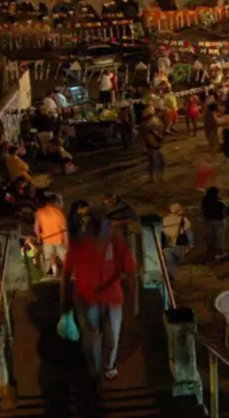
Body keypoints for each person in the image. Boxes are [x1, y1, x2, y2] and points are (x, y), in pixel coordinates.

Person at [61, 205, 137, 381]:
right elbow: (66, 273)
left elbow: (131, 271)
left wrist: (134, 302)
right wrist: (64, 300)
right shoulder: (79, 244)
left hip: (110, 298)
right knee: (93, 336)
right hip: (86, 298)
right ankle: (95, 369)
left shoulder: (116, 242)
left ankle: (107, 366)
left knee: (110, 336)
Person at [161, 203, 194, 281]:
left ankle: (172, 277)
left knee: (169, 261)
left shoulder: (163, 220)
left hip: (167, 245)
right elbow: (189, 233)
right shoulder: (183, 219)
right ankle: (173, 274)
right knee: (178, 259)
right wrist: (190, 244)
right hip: (179, 245)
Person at [201, 187, 227, 259]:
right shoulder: (219, 202)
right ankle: (218, 252)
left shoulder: (204, 201)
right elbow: (225, 210)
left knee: (210, 238)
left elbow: (202, 209)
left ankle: (209, 252)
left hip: (208, 221)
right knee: (219, 238)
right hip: (219, 221)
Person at [141, 113, 166, 183]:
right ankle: (152, 178)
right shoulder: (146, 129)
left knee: (162, 162)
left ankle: (159, 176)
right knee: (153, 163)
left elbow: (161, 132)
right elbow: (143, 139)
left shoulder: (154, 128)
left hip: (157, 147)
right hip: (152, 149)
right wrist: (144, 148)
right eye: (151, 119)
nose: (153, 120)